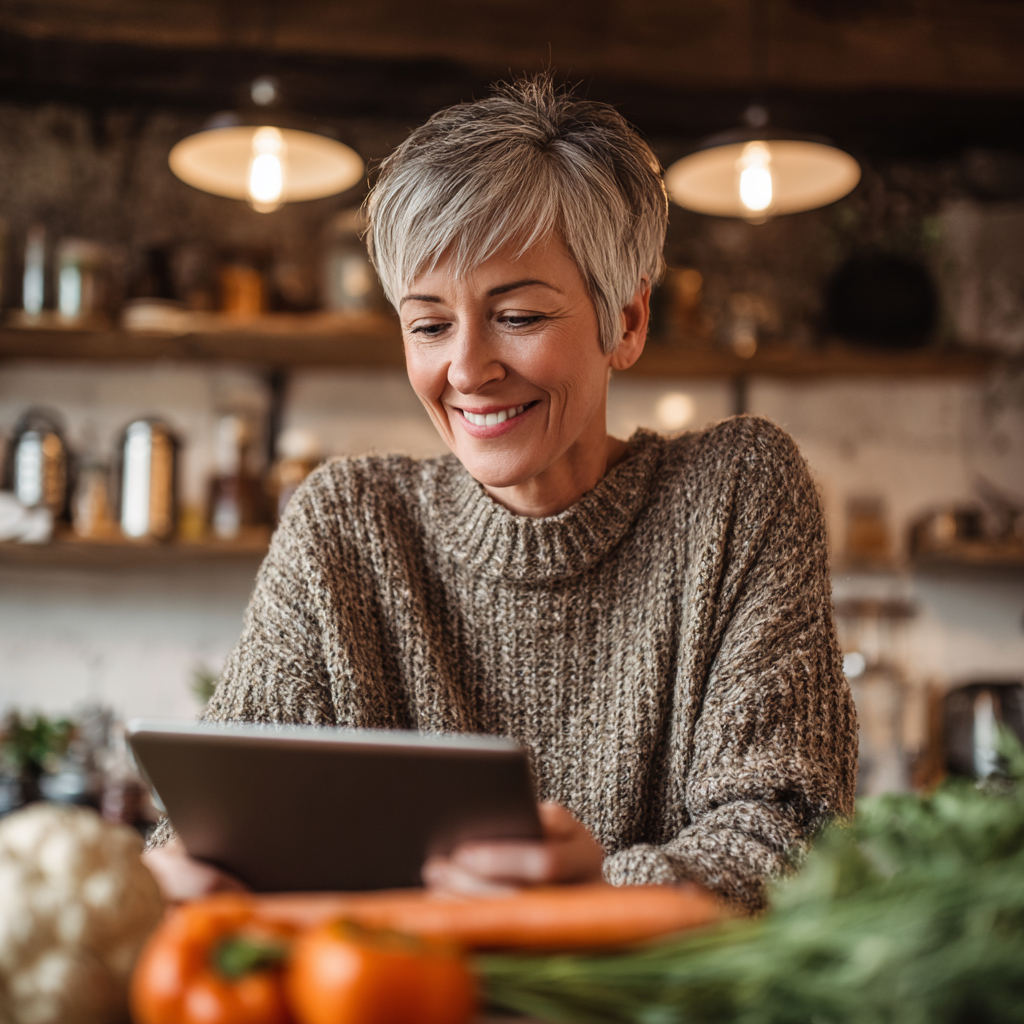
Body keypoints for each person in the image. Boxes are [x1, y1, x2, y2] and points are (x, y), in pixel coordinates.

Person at [145, 74, 857, 913]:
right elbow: (215, 823)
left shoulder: (737, 495)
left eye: (517, 316)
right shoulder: (346, 521)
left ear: (624, 323)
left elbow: (789, 837)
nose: (468, 369)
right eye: (429, 324)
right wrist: (178, 869)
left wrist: (599, 892)